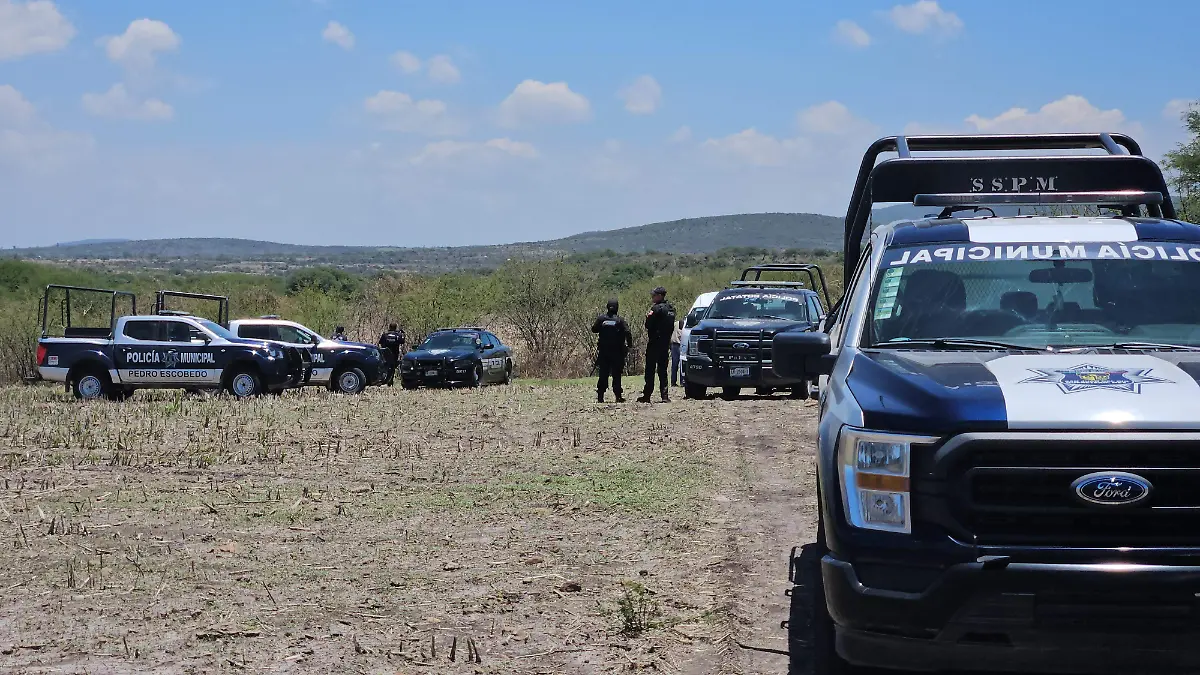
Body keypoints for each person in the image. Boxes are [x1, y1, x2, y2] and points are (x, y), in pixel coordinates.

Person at [638, 286, 676, 403]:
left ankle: (647, 395)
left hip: (655, 342)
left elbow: (648, 325)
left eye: (654, 295)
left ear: (659, 296)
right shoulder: (671, 309)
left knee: (650, 369)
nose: (652, 297)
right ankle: (664, 396)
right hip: (665, 343)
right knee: (663, 370)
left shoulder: (656, 309)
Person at [592, 298, 633, 403]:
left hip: (604, 351)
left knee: (603, 373)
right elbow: (628, 332)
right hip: (617, 352)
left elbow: (594, 329)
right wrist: (629, 345)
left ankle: (600, 396)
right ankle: (618, 396)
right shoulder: (620, 320)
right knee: (616, 374)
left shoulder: (601, 319)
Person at [670, 318, 683, 387]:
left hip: (675, 345)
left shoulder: (674, 324)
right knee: (679, 364)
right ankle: (680, 381)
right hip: (678, 345)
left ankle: (674, 382)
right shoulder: (684, 325)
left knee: (675, 365)